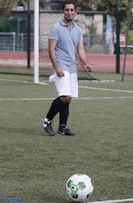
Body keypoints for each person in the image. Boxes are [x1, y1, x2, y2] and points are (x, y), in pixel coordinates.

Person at [40, 1, 92, 136]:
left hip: (72, 67)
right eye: (67, 10)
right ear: (63, 11)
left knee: (69, 99)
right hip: (61, 65)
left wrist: (85, 63)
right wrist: (56, 67)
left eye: (72, 10)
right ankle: (47, 120)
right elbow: (51, 49)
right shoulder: (56, 28)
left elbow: (80, 49)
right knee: (64, 97)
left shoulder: (78, 30)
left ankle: (62, 129)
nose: (69, 12)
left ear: (75, 12)